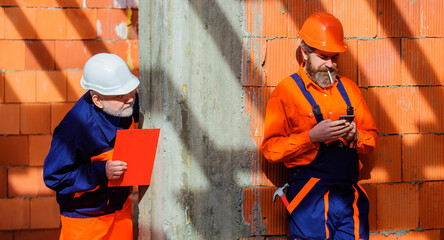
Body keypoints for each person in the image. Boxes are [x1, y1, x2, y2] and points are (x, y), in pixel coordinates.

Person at [261, 12, 379, 240]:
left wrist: (356, 136)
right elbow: (270, 150)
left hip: (348, 197)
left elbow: (372, 139)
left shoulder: (350, 89)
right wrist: (311, 137)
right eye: (323, 57)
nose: (330, 64)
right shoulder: (286, 91)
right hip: (309, 199)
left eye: (335, 57)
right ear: (304, 52)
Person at [44, 53, 142, 240]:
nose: (130, 99)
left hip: (120, 210)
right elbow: (54, 177)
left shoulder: (121, 103)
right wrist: (101, 171)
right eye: (121, 95)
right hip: (85, 220)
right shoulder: (74, 129)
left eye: (131, 91)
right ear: (97, 100)